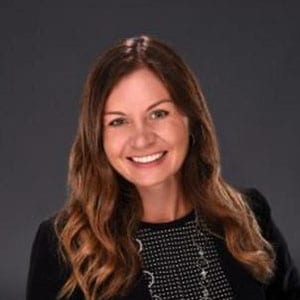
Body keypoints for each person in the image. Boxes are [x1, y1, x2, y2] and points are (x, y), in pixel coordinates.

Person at [26, 35, 300, 300]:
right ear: (98, 137)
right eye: (118, 121)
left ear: (190, 119)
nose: (142, 138)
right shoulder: (64, 244)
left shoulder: (249, 215)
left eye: (159, 114)